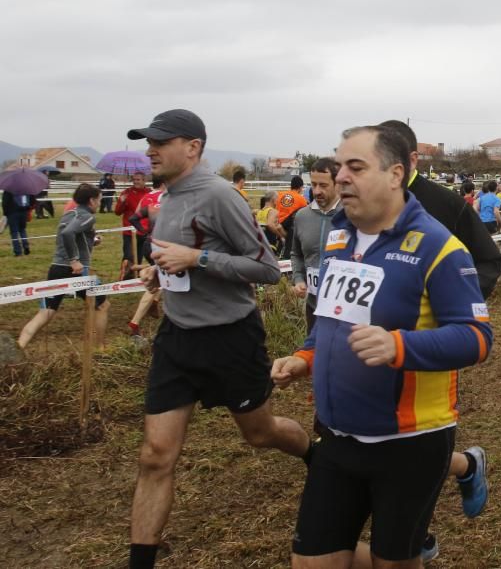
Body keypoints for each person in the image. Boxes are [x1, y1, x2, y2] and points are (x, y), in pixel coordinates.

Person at [271, 125, 493, 568]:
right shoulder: (338, 237)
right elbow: (331, 319)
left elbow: (477, 338)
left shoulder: (439, 247)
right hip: (337, 435)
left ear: (395, 174)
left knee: (393, 562)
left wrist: (400, 347)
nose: (341, 178)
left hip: (410, 442)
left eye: (356, 167)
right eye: (338, 168)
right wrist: (304, 356)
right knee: (311, 562)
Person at [125, 109, 311, 569]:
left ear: (193, 148)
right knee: (155, 456)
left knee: (260, 434)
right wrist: (157, 273)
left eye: (160, 142)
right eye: (147, 141)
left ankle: (316, 457)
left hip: (230, 337)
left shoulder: (220, 196)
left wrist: (198, 259)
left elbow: (267, 269)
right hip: (176, 338)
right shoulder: (165, 197)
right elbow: (178, 260)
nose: (150, 149)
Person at [17, 183, 110, 348]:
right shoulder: (88, 216)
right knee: (102, 305)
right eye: (99, 200)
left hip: (57, 268)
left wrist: (92, 241)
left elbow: (69, 236)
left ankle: (19, 346)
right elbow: (68, 234)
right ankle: (101, 348)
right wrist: (74, 260)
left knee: (46, 312)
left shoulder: (68, 214)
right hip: (76, 271)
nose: (100, 203)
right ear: (91, 201)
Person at [291, 158, 341, 333]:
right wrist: (298, 278)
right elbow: (296, 253)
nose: (317, 191)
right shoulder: (302, 217)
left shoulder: (352, 216)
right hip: (313, 306)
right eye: (313, 185)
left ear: (337, 184)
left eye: (323, 185)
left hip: (343, 310)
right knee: (313, 356)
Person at [127, 178, 165, 337]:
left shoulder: (148, 201)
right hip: (160, 245)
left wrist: (143, 231)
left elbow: (134, 215)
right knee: (157, 279)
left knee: (159, 275)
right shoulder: (171, 207)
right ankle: (134, 322)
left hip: (147, 243)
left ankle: (154, 301)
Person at [115, 172, 151, 279]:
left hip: (144, 230)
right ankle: (124, 277)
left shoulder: (149, 193)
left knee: (138, 257)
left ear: (144, 180)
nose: (135, 181)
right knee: (129, 256)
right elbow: (117, 212)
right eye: (134, 179)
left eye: (138, 179)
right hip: (129, 231)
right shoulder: (126, 193)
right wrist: (121, 202)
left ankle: (133, 278)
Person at [275, 176, 309, 259]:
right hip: (289, 226)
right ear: (300, 187)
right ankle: (289, 255)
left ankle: (279, 252)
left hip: (277, 221)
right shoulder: (301, 199)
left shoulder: (280, 194)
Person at [2, 189, 33, 256]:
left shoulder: (8, 189)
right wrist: (28, 209)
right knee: (22, 230)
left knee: (14, 232)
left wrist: (5, 213)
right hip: (24, 212)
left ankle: (18, 251)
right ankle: (26, 245)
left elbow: (5, 202)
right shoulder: (26, 188)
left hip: (12, 213)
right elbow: (31, 200)